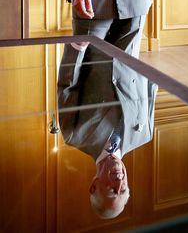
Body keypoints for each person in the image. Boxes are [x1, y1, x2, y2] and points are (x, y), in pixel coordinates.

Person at [57, 42, 158, 218]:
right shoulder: (145, 134)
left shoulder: (74, 135)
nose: (119, 182)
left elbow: (67, 86)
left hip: (95, 39)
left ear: (93, 186)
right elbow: (151, 86)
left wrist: (76, 48)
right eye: (123, 189)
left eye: (112, 191)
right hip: (132, 36)